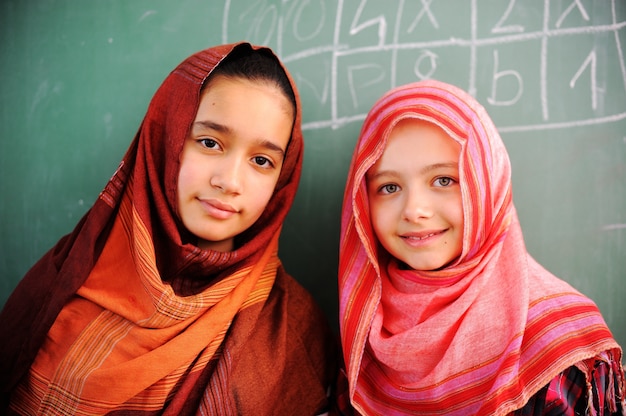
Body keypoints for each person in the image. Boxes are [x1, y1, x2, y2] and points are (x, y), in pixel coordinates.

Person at [0, 42, 338, 415]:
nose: (229, 181)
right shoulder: (66, 281)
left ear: (283, 177)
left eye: (261, 160)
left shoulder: (290, 328)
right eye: (209, 142)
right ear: (165, 141)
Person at [337, 79, 625, 415]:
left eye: (444, 180)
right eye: (388, 187)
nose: (414, 209)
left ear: (489, 183)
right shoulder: (364, 326)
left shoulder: (558, 339)